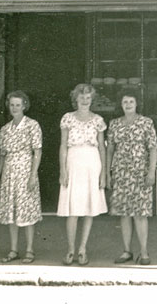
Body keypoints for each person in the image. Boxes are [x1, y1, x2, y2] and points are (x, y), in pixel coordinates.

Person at [106, 86, 157, 265]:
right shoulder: (114, 124)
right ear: (121, 104)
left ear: (137, 104)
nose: (128, 104)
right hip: (121, 173)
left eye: (131, 101)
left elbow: (152, 148)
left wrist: (151, 171)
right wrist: (108, 173)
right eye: (125, 102)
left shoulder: (146, 122)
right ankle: (127, 250)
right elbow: (110, 149)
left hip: (140, 173)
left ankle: (144, 252)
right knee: (124, 213)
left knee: (140, 213)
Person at [58, 83, 107, 265]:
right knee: (72, 208)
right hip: (73, 160)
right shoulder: (67, 118)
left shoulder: (98, 120)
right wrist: (63, 169)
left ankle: (82, 248)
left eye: (88, 97)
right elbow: (63, 145)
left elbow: (102, 147)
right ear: (75, 99)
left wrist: (103, 174)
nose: (85, 100)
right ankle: (70, 248)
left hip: (92, 161)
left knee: (89, 208)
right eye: (82, 97)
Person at [0, 90, 43, 263]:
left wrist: (33, 175)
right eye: (12, 105)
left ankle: (29, 249)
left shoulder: (32, 125)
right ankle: (13, 249)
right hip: (9, 172)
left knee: (27, 211)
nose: (15, 108)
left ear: (24, 106)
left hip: (25, 170)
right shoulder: (5, 129)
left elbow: (37, 151)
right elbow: (2, 155)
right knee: (11, 212)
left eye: (18, 105)